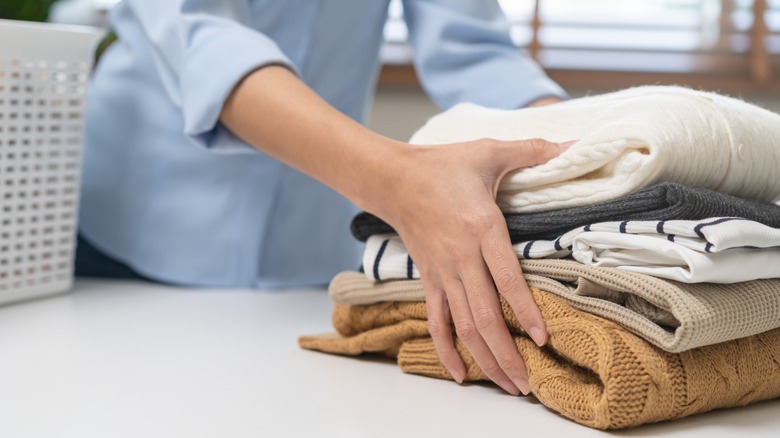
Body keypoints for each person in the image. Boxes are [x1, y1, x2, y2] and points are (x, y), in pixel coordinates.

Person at [76, 0, 569, 397]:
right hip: (130, 229)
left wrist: (586, 144)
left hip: (308, 251)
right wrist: (396, 182)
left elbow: (473, 48)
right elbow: (204, 38)